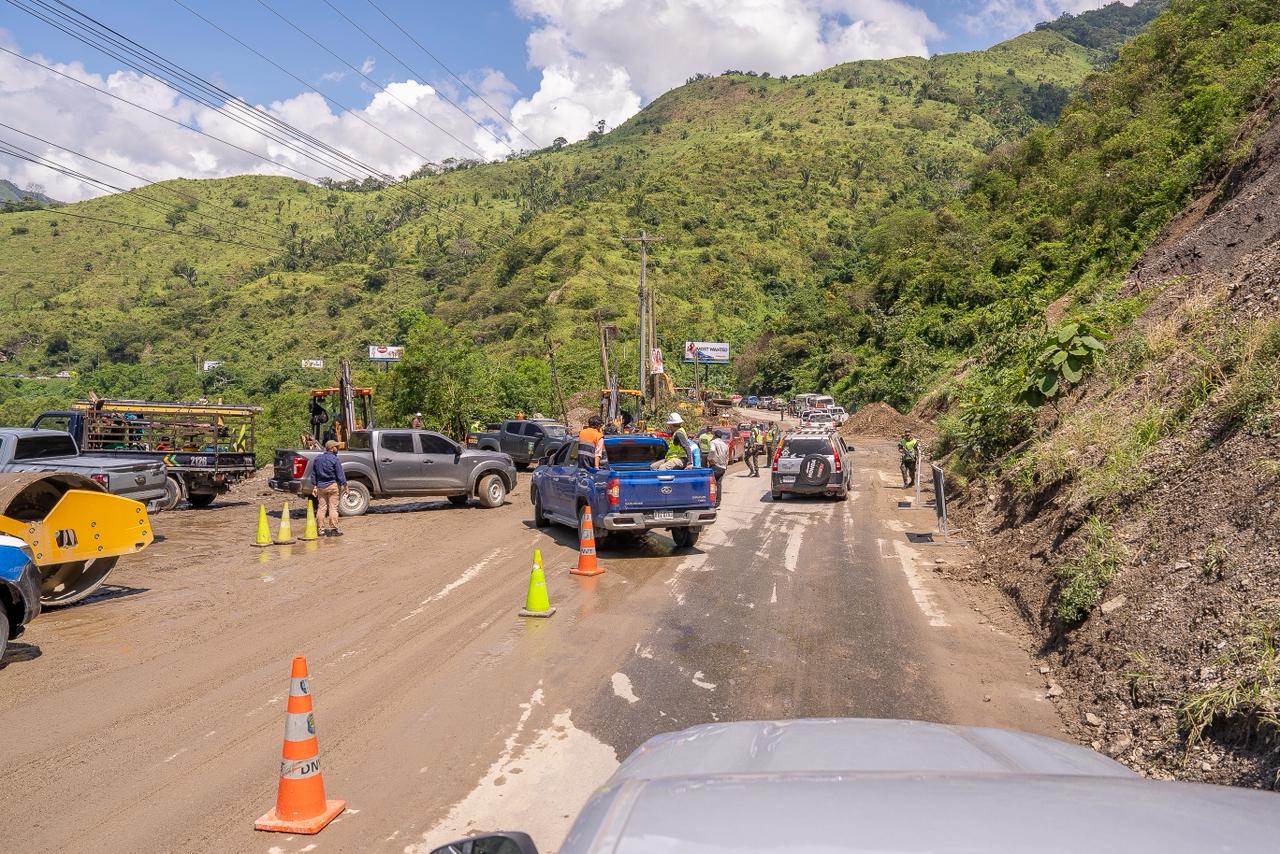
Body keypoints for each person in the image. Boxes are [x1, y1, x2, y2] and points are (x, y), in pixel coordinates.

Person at [312, 439, 347, 537]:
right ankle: (333, 529)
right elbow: (340, 475)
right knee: (333, 508)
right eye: (336, 447)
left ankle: (320, 530)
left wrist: (314, 486)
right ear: (332, 448)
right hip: (332, 486)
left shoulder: (317, 459)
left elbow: (314, 474)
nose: (338, 448)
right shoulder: (335, 459)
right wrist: (345, 485)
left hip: (320, 487)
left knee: (321, 508)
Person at [709, 430, 729, 507]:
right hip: (722, 467)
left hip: (715, 466)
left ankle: (710, 501)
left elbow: (712, 450)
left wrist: (709, 458)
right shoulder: (725, 444)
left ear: (714, 436)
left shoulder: (713, 442)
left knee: (711, 484)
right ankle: (718, 502)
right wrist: (725, 465)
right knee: (719, 484)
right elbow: (727, 456)